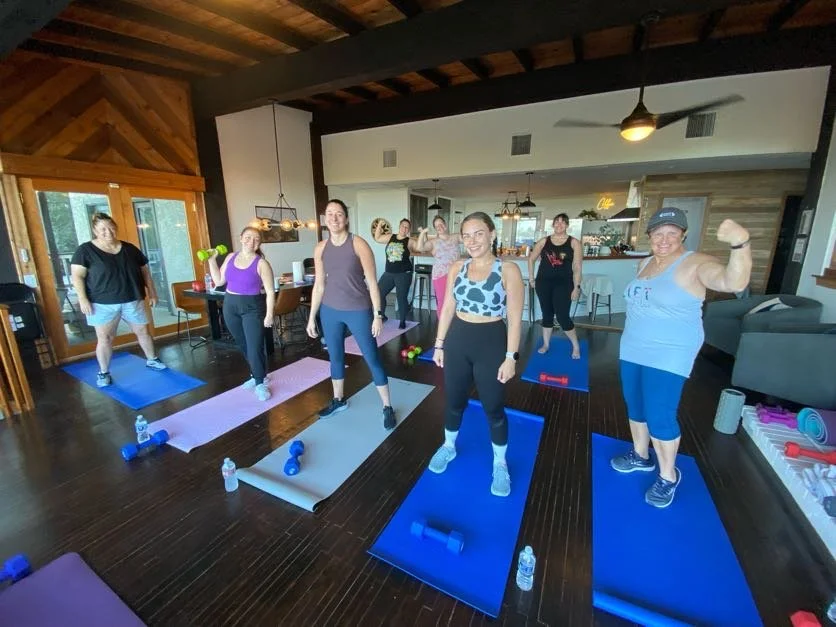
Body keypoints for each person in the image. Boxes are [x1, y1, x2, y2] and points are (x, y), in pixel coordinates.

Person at [611, 207, 752, 508]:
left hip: (670, 351)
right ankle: (641, 455)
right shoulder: (646, 263)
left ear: (683, 235)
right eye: (658, 233)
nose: (664, 239)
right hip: (633, 347)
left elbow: (733, 282)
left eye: (672, 233)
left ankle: (668, 476)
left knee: (659, 414)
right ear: (649, 235)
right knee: (636, 404)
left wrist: (740, 243)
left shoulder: (696, 263)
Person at [429, 212, 524, 497]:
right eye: (466, 236)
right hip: (458, 340)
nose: (472, 241)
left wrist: (511, 357)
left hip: (491, 342)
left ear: (492, 234)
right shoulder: (457, 266)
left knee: (493, 407)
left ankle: (500, 463)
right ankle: (448, 446)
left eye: (478, 233)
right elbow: (448, 307)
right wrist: (439, 344)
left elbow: (515, 319)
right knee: (454, 401)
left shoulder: (508, 270)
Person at [307, 199, 396, 430]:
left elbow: (373, 283)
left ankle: (387, 406)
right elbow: (319, 285)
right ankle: (338, 400)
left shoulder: (358, 244)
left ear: (346, 218)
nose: (334, 218)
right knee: (335, 357)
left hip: (358, 310)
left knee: (372, 358)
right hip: (329, 310)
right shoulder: (320, 248)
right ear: (325, 219)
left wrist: (378, 314)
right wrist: (312, 316)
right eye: (330, 214)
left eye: (339, 214)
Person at [70, 212, 167, 388]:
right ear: (95, 231)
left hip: (132, 299)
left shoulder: (130, 249)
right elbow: (77, 276)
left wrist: (152, 293)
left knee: (143, 332)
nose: (108, 232)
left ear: (116, 228)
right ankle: (104, 372)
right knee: (105, 338)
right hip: (102, 303)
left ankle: (152, 359)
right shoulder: (85, 251)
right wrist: (82, 299)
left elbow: (145, 273)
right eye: (102, 229)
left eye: (111, 228)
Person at [207, 226, 275, 401]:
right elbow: (219, 281)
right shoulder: (230, 257)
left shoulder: (261, 264)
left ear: (259, 243)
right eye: (248, 237)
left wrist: (269, 315)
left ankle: (260, 383)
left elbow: (270, 291)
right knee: (243, 344)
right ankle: (257, 374)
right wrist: (211, 261)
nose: (251, 241)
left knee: (254, 346)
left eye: (256, 239)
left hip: (252, 307)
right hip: (230, 305)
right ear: (241, 238)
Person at [527, 213, 583, 359]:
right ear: (553, 225)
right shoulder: (544, 241)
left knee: (563, 317)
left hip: (564, 284)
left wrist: (576, 287)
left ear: (567, 225)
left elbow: (577, 267)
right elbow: (531, 259)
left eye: (563, 222)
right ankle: (546, 344)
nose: (559, 224)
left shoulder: (574, 243)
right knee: (547, 315)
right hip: (543, 283)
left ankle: (576, 346)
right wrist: (532, 279)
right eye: (557, 222)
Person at [374, 218, 419, 329]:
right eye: (403, 226)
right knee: (379, 293)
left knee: (401, 297)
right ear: (399, 226)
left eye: (407, 227)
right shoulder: (391, 237)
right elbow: (377, 238)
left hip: (404, 274)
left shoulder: (410, 241)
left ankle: (402, 321)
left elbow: (420, 247)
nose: (404, 228)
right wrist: (379, 224)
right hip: (389, 272)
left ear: (409, 230)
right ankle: (382, 316)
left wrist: (422, 234)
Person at [416, 215, 462, 315]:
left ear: (445, 225)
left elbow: (469, 239)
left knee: (457, 301)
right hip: (441, 275)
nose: (440, 227)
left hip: (457, 275)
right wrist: (423, 233)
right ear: (435, 229)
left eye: (441, 224)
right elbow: (419, 248)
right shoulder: (433, 242)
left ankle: (455, 323)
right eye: (437, 226)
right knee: (443, 302)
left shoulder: (455, 237)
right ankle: (442, 324)